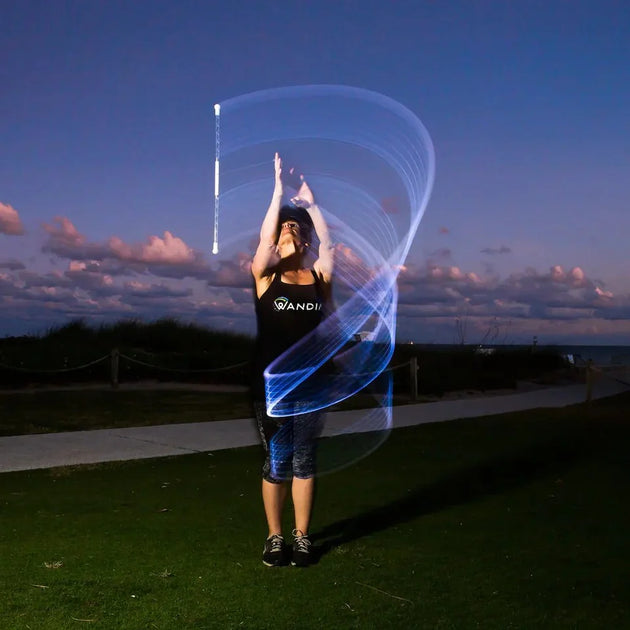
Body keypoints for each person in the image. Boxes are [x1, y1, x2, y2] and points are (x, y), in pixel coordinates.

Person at [251, 152, 334, 567]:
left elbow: (329, 247)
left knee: (305, 461)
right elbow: (266, 243)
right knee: (278, 461)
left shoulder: (319, 278)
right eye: (284, 225)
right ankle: (275, 537)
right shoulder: (266, 276)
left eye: (294, 226)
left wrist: (312, 207)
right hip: (274, 387)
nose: (288, 227)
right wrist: (279, 190)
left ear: (304, 241)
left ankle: (302, 537)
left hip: (313, 385)